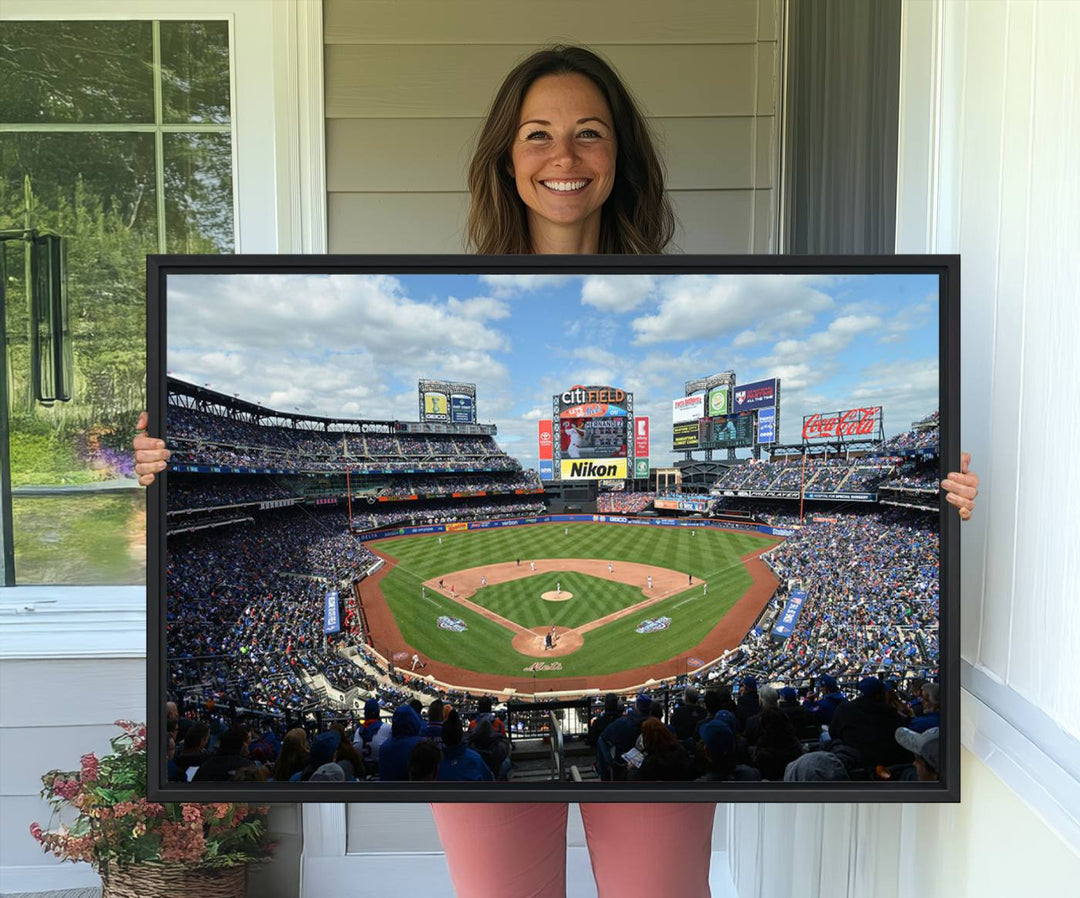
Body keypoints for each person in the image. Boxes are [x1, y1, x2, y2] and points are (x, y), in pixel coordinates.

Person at [134, 42, 980, 898]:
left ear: (622, 157)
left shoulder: (697, 282)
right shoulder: (447, 282)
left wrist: (939, 497)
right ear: (506, 157)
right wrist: (160, 468)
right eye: (537, 134)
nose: (563, 157)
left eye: (590, 133)